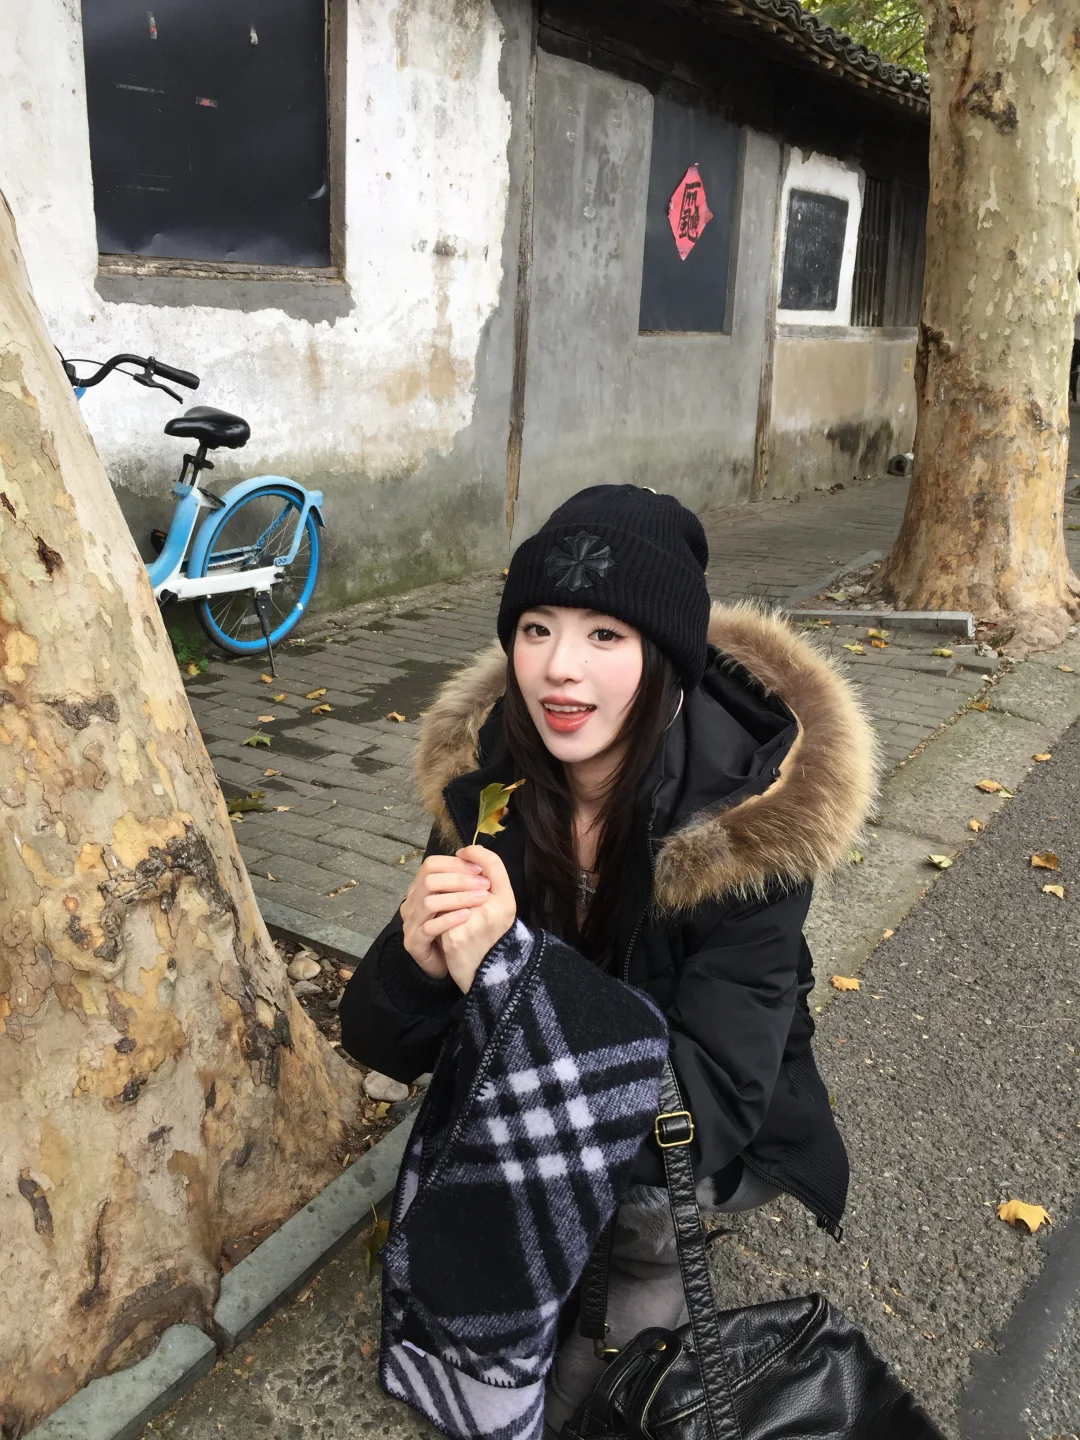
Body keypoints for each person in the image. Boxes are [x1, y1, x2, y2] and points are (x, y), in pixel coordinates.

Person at [341, 484, 877, 1434]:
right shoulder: (490, 783)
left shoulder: (748, 822)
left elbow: (705, 1112)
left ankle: (634, 1264)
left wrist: (514, 980)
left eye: (604, 635)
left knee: (608, 1362)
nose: (559, 668)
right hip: (549, 1101)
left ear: (662, 657)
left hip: (684, 1135)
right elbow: (378, 1039)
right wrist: (416, 965)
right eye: (536, 628)